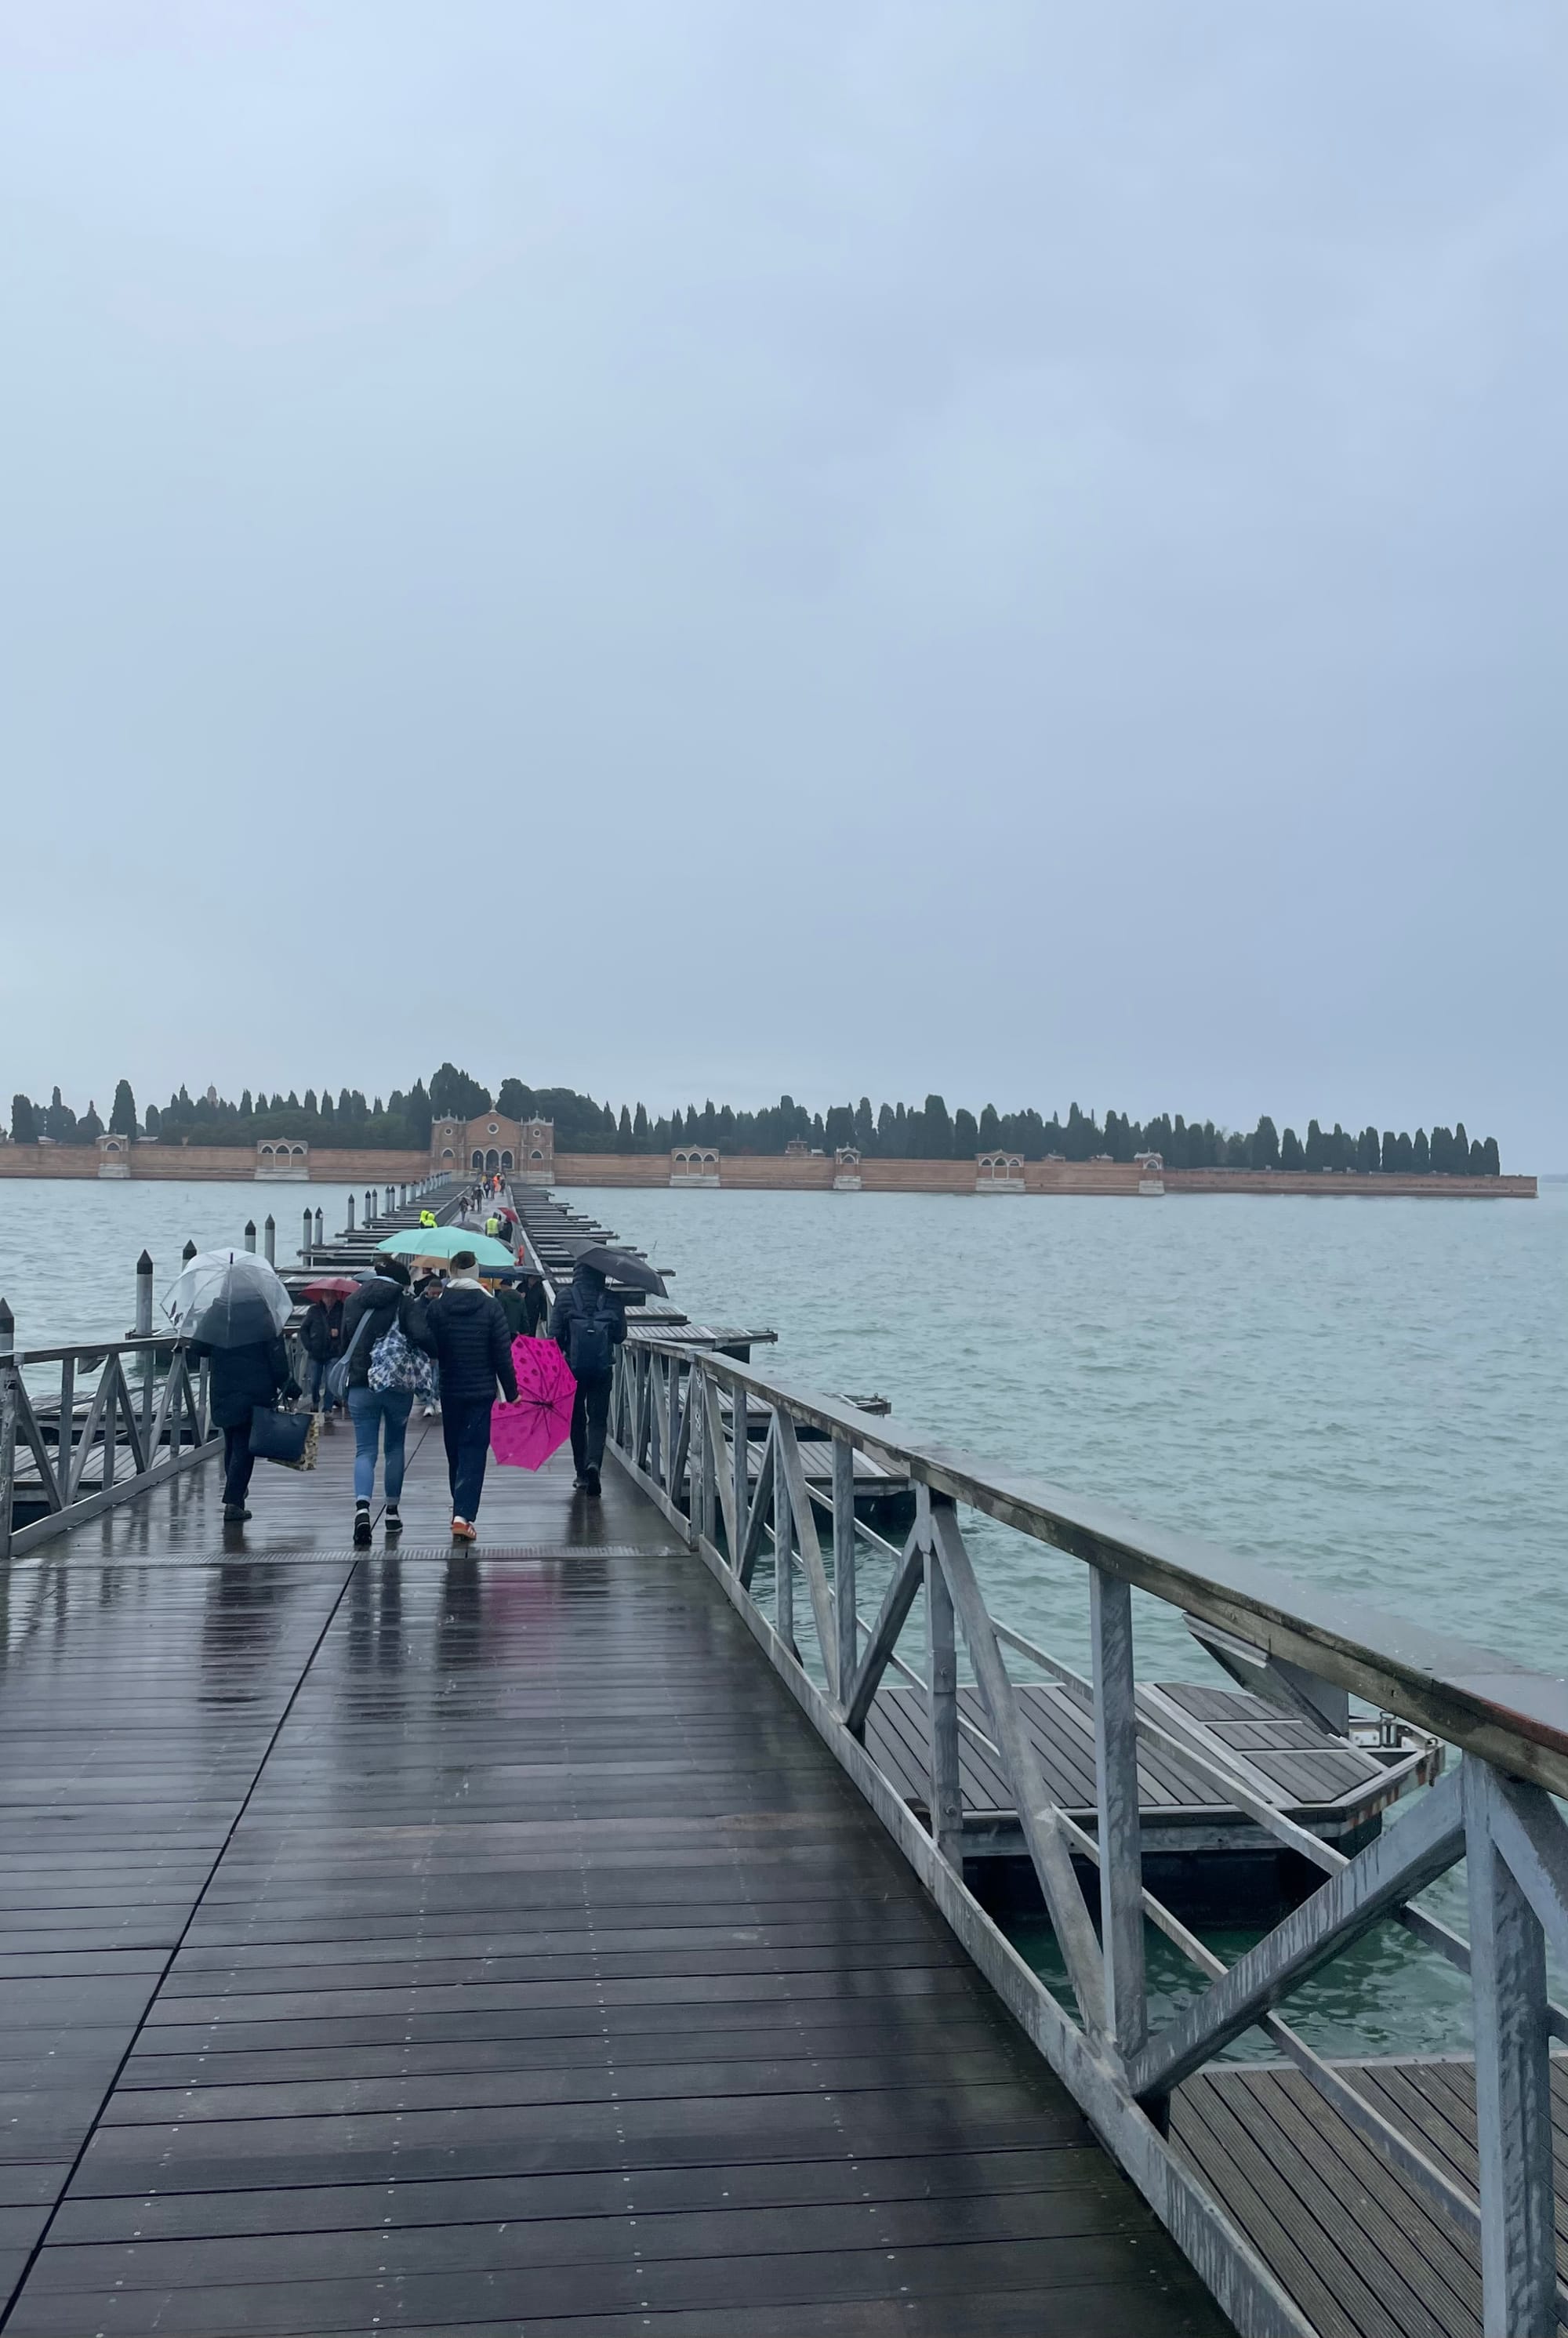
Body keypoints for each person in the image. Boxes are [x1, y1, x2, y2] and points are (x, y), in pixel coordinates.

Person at [425, 1249, 518, 1541]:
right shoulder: (491, 1306)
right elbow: (502, 1354)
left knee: (454, 1450)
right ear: (476, 1273)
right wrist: (512, 1391)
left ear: (452, 1272)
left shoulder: (438, 1307)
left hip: (450, 1387)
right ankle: (462, 1515)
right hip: (481, 1390)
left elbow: (431, 1345)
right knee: (474, 1450)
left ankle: (459, 1508)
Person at [339, 1257, 434, 1545]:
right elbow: (421, 1335)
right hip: (396, 1385)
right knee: (394, 1447)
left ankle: (362, 1509)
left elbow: (344, 1343)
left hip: (360, 1384)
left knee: (364, 1450)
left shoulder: (352, 1301)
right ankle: (391, 1512)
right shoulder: (404, 1302)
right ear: (401, 1282)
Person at [189, 1331, 299, 1525]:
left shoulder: (220, 1316)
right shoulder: (264, 1320)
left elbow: (199, 1348)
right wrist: (292, 1389)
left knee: (232, 1442)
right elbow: (278, 1365)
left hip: (223, 1392)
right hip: (254, 1393)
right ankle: (234, 1501)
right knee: (243, 1446)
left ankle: (236, 1489)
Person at [550, 1258, 626, 1497]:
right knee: (598, 1420)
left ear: (577, 1272)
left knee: (576, 1420)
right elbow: (620, 1336)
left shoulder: (565, 1297)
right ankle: (594, 1463)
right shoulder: (612, 1298)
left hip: (572, 1369)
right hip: (602, 1368)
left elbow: (553, 1336)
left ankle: (581, 1474)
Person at [299, 1291, 344, 1414]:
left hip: (334, 1352)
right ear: (322, 1297)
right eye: (327, 1296)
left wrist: (339, 1334)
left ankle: (327, 1408)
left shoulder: (342, 1311)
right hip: (316, 1353)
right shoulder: (314, 1310)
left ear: (336, 1297)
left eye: (332, 1296)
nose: (329, 1299)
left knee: (330, 1382)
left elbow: (347, 1329)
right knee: (314, 1382)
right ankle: (315, 1401)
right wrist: (309, 1345)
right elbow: (304, 1329)